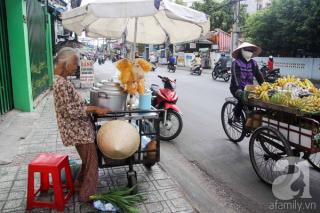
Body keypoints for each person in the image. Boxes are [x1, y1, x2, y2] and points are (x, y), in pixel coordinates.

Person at [53, 47, 111, 202]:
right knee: (93, 163)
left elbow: (73, 105)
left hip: (79, 129)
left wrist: (88, 104)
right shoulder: (61, 84)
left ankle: (79, 185)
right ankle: (87, 195)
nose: (76, 67)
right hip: (78, 131)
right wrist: (94, 108)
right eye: (74, 63)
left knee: (87, 161)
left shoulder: (64, 82)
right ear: (65, 63)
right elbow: (71, 110)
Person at [230, 42, 264, 121]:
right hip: (236, 87)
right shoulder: (236, 63)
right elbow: (236, 77)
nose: (250, 52)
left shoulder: (253, 63)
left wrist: (264, 86)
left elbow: (258, 75)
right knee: (243, 98)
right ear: (242, 51)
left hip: (249, 88)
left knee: (252, 105)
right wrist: (239, 89)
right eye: (247, 50)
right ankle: (236, 114)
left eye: (251, 51)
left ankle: (249, 124)